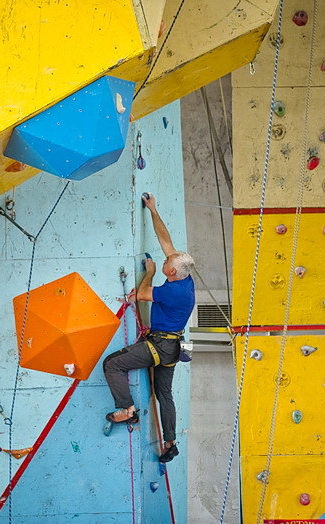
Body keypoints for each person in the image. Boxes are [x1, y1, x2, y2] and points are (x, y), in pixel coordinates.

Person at [103, 192, 195, 463]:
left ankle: (126, 408)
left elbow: (143, 294)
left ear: (171, 273)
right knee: (164, 393)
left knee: (112, 364)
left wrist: (150, 272)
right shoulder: (185, 276)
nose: (166, 259)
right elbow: (166, 241)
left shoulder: (174, 290)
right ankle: (170, 442)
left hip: (160, 345)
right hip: (173, 347)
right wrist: (153, 211)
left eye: (167, 263)